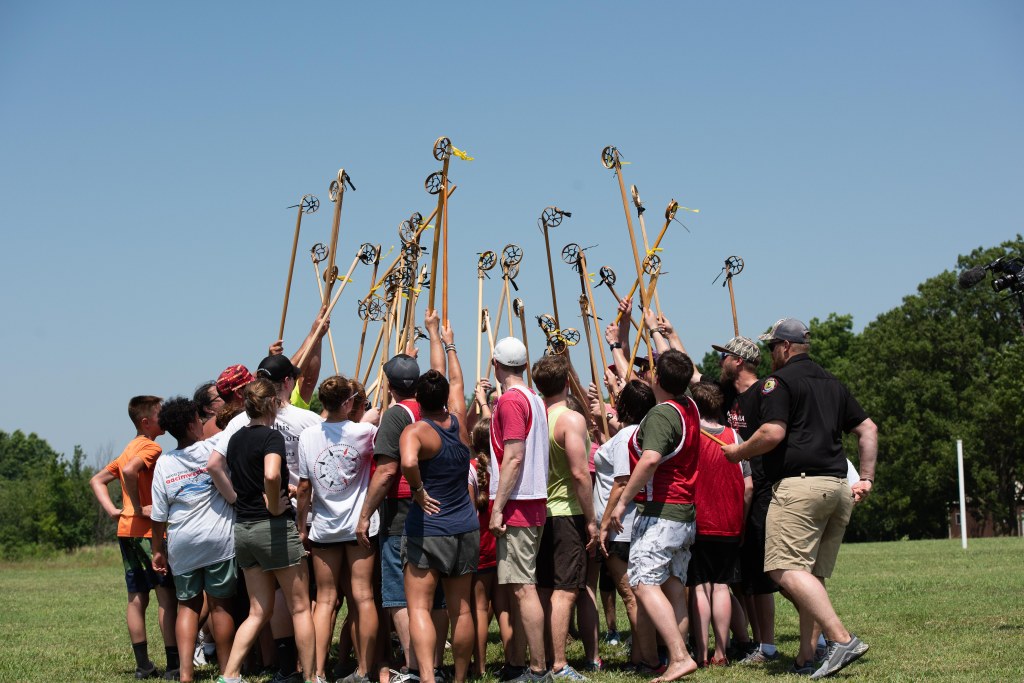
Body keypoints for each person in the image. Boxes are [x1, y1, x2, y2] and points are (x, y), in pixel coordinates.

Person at [723, 318, 878, 679]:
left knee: (781, 569)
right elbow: (868, 429)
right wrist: (867, 478)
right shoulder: (833, 382)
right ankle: (805, 657)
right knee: (812, 576)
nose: (770, 354)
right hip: (837, 488)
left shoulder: (778, 383)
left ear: (786, 347)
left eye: (772, 347)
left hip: (800, 488)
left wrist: (739, 452)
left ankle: (841, 639)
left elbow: (772, 432)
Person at [608, 348, 701, 683]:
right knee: (673, 584)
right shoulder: (689, 405)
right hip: (683, 513)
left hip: (661, 511)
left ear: (657, 378)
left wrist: (622, 502)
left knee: (643, 582)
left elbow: (649, 460)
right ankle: (681, 654)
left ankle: (679, 657)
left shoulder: (663, 414)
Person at [216, 378, 316, 683]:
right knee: (300, 608)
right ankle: (311, 677)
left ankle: (229, 675)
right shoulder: (272, 437)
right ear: (272, 403)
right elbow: (271, 475)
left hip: (244, 529)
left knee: (258, 611)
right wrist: (274, 504)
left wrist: (268, 492)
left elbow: (239, 474)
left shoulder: (235, 438)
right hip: (273, 529)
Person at [401, 317, 479, 683]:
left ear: (417, 399)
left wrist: (417, 490)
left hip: (429, 528)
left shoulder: (416, 431)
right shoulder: (460, 421)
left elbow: (408, 462)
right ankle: (460, 678)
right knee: (461, 609)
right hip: (465, 525)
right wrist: (447, 342)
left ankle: (429, 678)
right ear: (446, 397)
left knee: (419, 607)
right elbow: (456, 381)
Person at [296, 375, 380, 683]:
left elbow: (303, 487)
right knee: (363, 596)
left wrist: (301, 527)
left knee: (325, 600)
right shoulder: (365, 432)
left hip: (325, 526)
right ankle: (365, 669)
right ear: (348, 403)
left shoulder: (308, 436)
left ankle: (317, 672)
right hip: (360, 526)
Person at [90, 395, 179, 680]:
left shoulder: (128, 448)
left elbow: (97, 480)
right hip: (148, 532)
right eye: (160, 413)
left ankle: (143, 666)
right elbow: (130, 472)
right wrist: (140, 508)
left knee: (137, 598)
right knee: (166, 597)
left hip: (126, 531)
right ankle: (174, 665)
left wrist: (114, 511)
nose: (164, 417)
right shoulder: (151, 447)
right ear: (146, 421)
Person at [150, 397, 237, 683]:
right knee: (220, 606)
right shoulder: (214, 446)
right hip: (217, 539)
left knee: (187, 606)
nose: (203, 424)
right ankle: (227, 671)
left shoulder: (164, 463)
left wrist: (158, 551)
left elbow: (158, 515)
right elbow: (238, 424)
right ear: (190, 425)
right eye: (199, 420)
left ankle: (186, 673)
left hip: (181, 544)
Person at [532, 354, 598, 681]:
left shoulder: (535, 418)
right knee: (566, 589)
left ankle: (546, 658)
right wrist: (591, 519)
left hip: (539, 513)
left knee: (545, 588)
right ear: (568, 382)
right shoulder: (570, 419)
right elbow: (580, 473)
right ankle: (558, 664)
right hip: (566, 512)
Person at [488, 338, 550, 683]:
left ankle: (538, 669)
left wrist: (498, 508)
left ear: (496, 364)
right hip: (532, 501)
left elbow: (514, 456)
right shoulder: (534, 399)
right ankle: (516, 663)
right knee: (518, 586)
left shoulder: (511, 400)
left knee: (524, 588)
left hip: (518, 503)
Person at [593, 380, 659, 673]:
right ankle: (641, 656)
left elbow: (620, 483)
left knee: (631, 597)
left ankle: (646, 659)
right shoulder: (645, 434)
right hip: (637, 523)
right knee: (637, 595)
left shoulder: (625, 438)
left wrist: (603, 525)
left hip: (621, 528)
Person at [685, 382, 751, 667]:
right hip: (730, 522)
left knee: (700, 587)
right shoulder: (734, 436)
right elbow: (749, 486)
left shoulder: (691, 436)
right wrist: (742, 521)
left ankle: (701, 653)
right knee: (723, 586)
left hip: (698, 522)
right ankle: (721, 652)